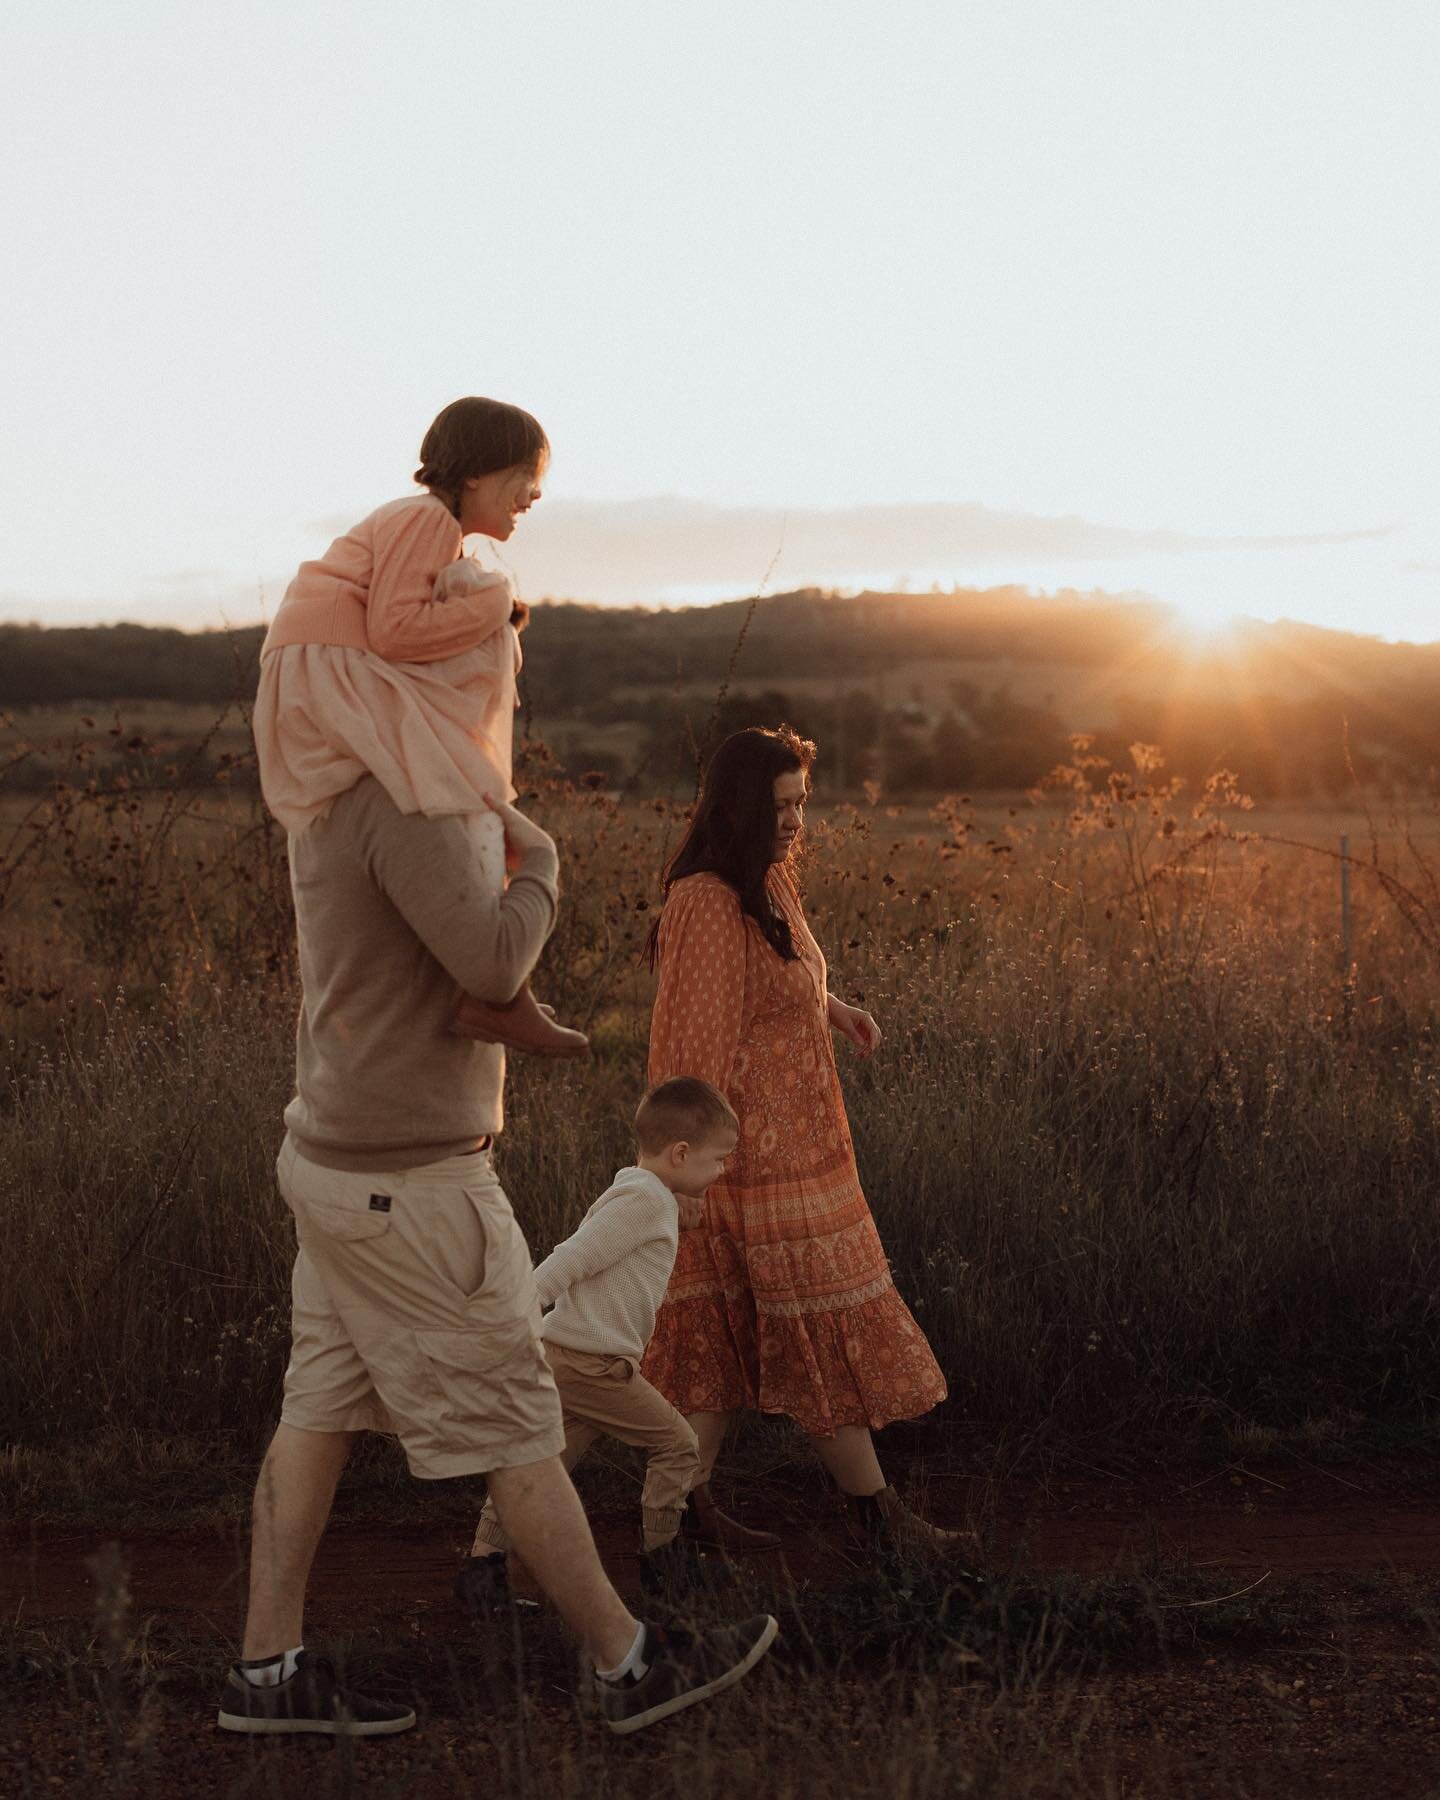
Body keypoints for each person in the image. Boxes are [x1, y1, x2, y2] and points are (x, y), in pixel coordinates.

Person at [221, 542, 778, 1736]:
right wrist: (547, 871)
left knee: (316, 1415)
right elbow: (487, 959)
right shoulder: (410, 797)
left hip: (336, 1158)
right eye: (491, 649)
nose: (501, 671)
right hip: (410, 1181)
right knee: (524, 1422)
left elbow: (422, 978)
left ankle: (266, 1674)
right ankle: (632, 1667)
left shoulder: (331, 786)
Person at [642, 725, 961, 1556]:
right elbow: (693, 1055)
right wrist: (685, 1183)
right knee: (790, 1332)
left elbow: (778, 977)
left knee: (728, 1341)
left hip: (802, 1152)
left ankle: (678, 1529)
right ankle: (880, 1525)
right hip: (744, 1165)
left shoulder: (765, 883)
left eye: (802, 805)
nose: (795, 822)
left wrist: (833, 1005)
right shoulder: (707, 900)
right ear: (744, 806)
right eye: (782, 806)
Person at [250, 393, 585, 1057]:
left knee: (453, 783)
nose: (536, 495)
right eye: (527, 475)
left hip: (331, 668)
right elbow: (397, 630)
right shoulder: (425, 519)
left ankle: (500, 996)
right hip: (336, 670)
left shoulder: (428, 526)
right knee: (449, 781)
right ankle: (498, 995)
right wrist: (492, 603)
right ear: (475, 473)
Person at [458, 1077, 741, 1607]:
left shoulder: (643, 1193)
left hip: (570, 1360)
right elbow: (574, 1256)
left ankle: (482, 1573)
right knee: (678, 1444)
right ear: (681, 1153)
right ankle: (664, 1566)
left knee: (539, 1466)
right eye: (719, 1159)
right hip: (592, 1364)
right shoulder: (646, 1202)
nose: (723, 1171)